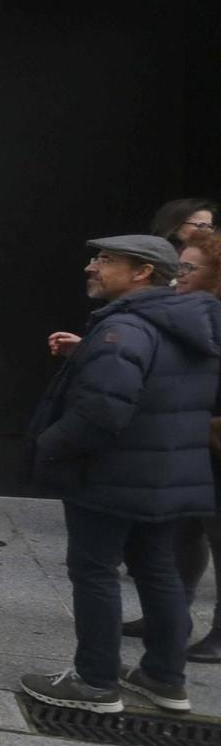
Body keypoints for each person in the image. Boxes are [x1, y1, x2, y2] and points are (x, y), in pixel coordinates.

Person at [22, 234, 221, 715]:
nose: (92, 267)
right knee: (159, 571)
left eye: (107, 260)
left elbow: (101, 412)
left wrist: (48, 447)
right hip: (168, 473)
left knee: (94, 572)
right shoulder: (184, 323)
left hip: (112, 475)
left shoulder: (126, 329)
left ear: (143, 273)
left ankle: (95, 682)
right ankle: (164, 678)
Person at [169, 232, 221, 662]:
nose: (179, 274)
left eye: (189, 267)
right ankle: (171, 615)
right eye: (179, 265)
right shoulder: (191, 311)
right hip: (192, 439)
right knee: (184, 528)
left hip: (214, 440)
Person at [149, 197, 216, 248]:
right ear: (175, 226)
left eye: (210, 226)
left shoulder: (211, 257)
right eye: (201, 225)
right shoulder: (153, 254)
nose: (209, 231)